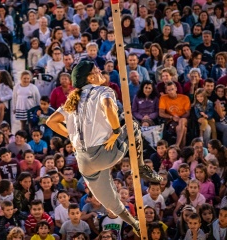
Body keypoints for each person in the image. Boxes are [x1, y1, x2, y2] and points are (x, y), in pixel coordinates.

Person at [46, 60, 162, 236]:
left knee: (109, 200)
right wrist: (116, 131)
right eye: (96, 70)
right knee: (132, 126)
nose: (100, 71)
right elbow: (108, 107)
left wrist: (71, 136)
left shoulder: (72, 100)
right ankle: (141, 166)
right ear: (90, 77)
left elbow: (51, 122)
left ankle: (134, 224)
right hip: (102, 153)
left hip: (83, 161)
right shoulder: (103, 90)